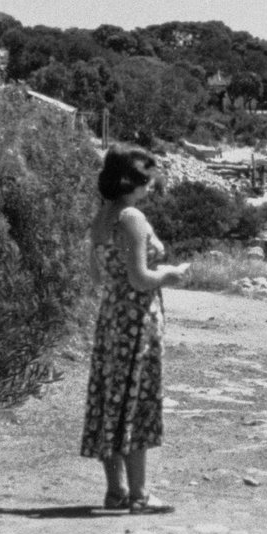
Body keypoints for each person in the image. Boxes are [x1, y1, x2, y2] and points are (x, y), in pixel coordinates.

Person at [81, 144, 189, 512]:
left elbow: (97, 275)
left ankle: (116, 491)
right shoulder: (132, 218)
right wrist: (170, 275)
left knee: (111, 400)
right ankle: (140, 494)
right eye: (146, 178)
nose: (150, 185)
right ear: (132, 180)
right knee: (137, 401)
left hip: (111, 317)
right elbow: (141, 278)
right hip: (136, 320)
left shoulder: (102, 217)